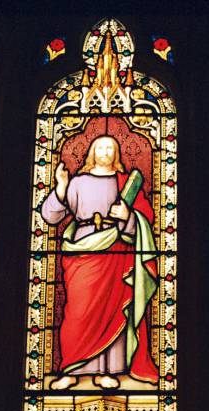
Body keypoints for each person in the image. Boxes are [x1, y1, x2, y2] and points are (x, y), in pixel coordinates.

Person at [41, 135, 159, 390]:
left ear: (116, 154)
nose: (105, 152)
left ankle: (107, 370)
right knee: (78, 311)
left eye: (110, 148)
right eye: (100, 148)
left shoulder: (125, 182)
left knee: (113, 310)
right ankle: (71, 369)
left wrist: (128, 216)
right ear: (92, 152)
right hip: (82, 250)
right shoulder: (78, 182)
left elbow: (146, 218)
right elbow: (51, 216)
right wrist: (61, 187)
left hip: (116, 249)